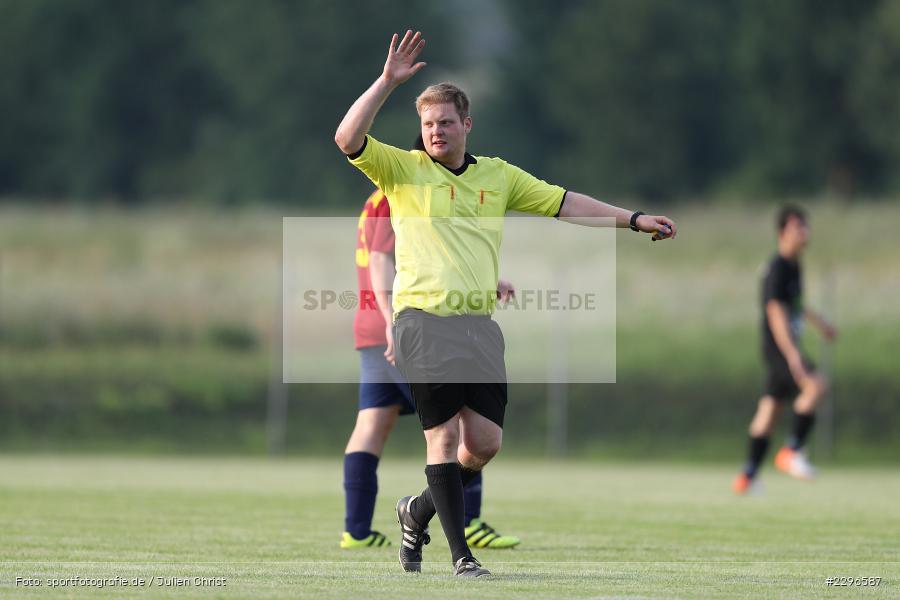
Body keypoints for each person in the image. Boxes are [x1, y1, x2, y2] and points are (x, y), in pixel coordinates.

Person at [334, 30, 677, 577]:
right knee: (443, 438)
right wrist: (386, 83)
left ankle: (415, 510)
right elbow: (347, 137)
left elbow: (566, 203)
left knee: (484, 444)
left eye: (446, 122)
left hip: (478, 327)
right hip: (423, 322)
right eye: (428, 124)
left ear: (466, 124)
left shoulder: (498, 175)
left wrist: (632, 219)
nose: (436, 131)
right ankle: (462, 558)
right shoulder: (402, 171)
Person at [341, 185, 521, 550]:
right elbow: (381, 259)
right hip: (406, 326)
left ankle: (356, 531)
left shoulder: (375, 197)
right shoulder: (399, 192)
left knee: (371, 425)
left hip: (373, 326)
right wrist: (391, 322)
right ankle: (468, 522)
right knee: (464, 418)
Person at [733, 206, 836, 495]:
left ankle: (747, 477)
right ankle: (792, 451)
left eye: (805, 226)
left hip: (780, 347)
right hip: (779, 346)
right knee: (815, 385)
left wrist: (820, 323)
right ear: (782, 233)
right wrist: (792, 356)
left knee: (770, 410)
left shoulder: (794, 265)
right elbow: (775, 311)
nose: (804, 232)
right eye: (797, 227)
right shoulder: (778, 267)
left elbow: (795, 305)